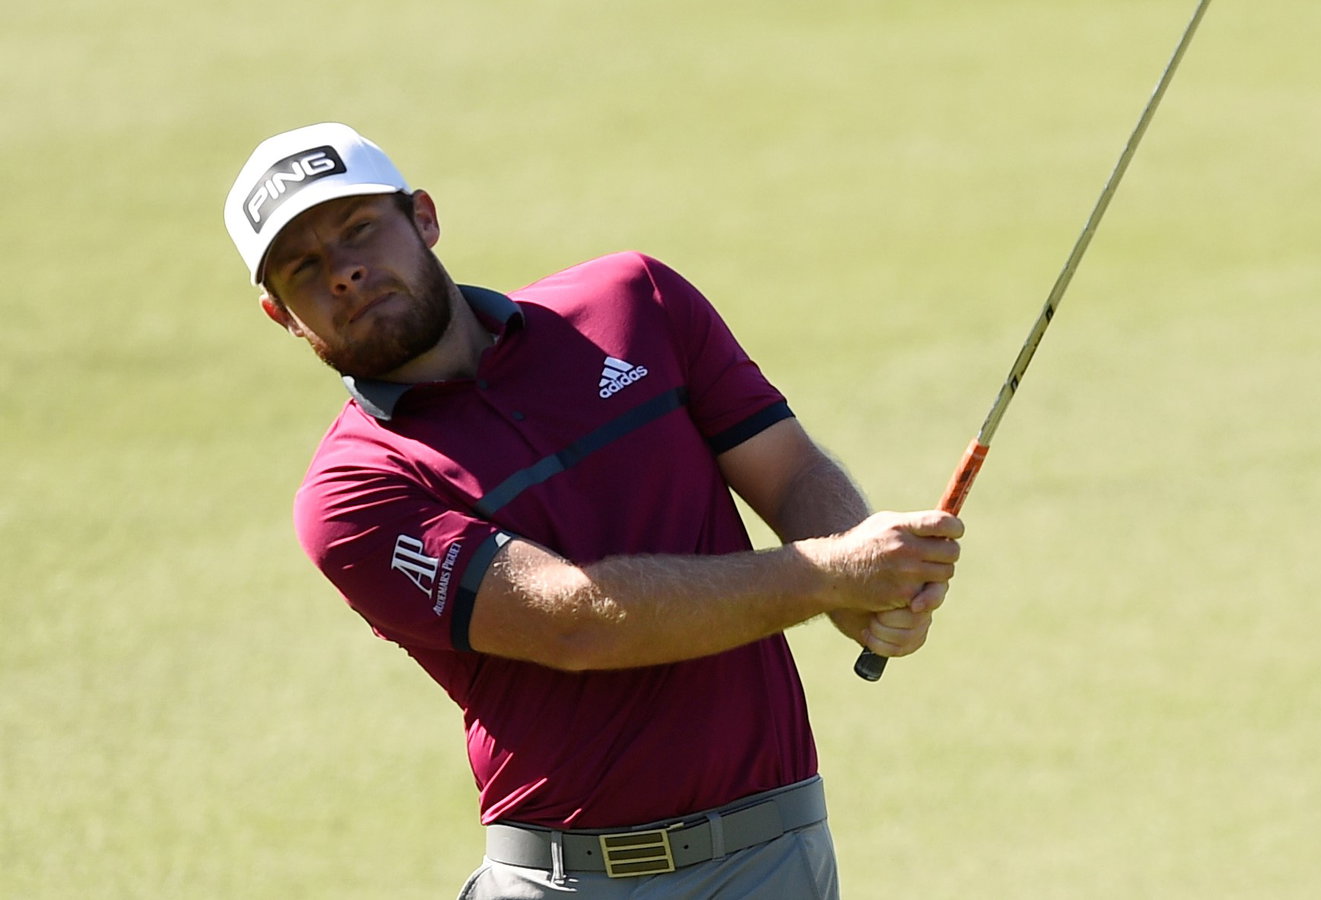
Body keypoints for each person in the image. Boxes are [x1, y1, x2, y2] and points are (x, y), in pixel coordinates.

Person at [223, 122, 962, 899]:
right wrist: (831, 576)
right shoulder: (353, 492)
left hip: (770, 855)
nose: (344, 272)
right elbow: (571, 622)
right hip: (565, 880)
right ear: (283, 315)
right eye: (305, 268)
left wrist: (864, 588)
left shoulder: (634, 301)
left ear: (425, 219)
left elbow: (790, 470)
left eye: (360, 230)